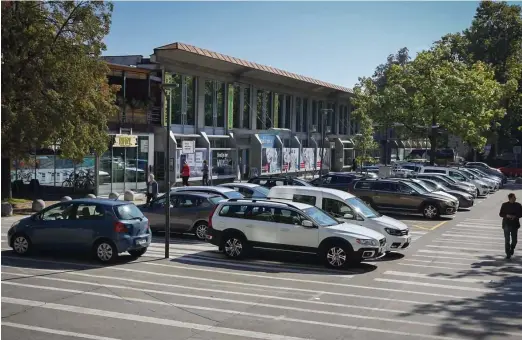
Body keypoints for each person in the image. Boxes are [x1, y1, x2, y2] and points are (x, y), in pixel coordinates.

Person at [499, 193, 522, 259]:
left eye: (515, 197)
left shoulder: (518, 205)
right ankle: (507, 253)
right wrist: (507, 215)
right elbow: (501, 214)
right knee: (507, 239)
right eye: (513, 197)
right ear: (510, 198)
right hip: (506, 224)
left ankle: (512, 248)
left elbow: (521, 214)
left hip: (515, 224)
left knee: (514, 240)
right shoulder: (505, 205)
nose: (515, 198)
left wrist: (515, 216)